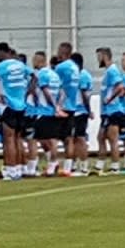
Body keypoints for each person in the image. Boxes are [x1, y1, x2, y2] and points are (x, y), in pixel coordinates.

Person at [0, 43, 28, 181]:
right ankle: (18, 168)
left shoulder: (1, 66)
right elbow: (33, 78)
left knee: (8, 140)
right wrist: (26, 93)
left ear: (1, 52)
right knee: (18, 138)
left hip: (8, 106)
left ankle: (11, 170)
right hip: (21, 105)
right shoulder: (21, 65)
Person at [95, 47, 125, 176]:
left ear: (104, 56)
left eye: (99, 56)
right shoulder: (109, 71)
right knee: (101, 137)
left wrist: (109, 100)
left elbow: (120, 87)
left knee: (112, 139)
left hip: (113, 110)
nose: (98, 59)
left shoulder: (113, 71)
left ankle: (115, 166)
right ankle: (100, 165)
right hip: (107, 112)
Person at [30, 52, 64, 176]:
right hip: (51, 110)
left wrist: (54, 106)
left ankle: (53, 163)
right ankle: (53, 162)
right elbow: (62, 92)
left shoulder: (42, 74)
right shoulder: (54, 75)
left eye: (34, 60)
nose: (33, 62)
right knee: (45, 139)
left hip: (44, 110)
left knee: (49, 140)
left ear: (40, 61)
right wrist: (59, 105)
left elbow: (46, 92)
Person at [54, 42, 81, 177]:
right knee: (69, 138)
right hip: (72, 106)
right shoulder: (75, 67)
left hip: (62, 106)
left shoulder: (61, 67)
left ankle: (53, 165)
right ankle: (69, 167)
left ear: (63, 52)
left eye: (59, 51)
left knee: (52, 137)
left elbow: (55, 85)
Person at [71, 52, 94, 177]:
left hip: (80, 111)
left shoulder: (82, 76)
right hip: (75, 111)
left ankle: (84, 166)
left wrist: (88, 110)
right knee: (73, 139)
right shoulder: (79, 75)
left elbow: (85, 95)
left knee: (80, 138)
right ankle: (74, 165)